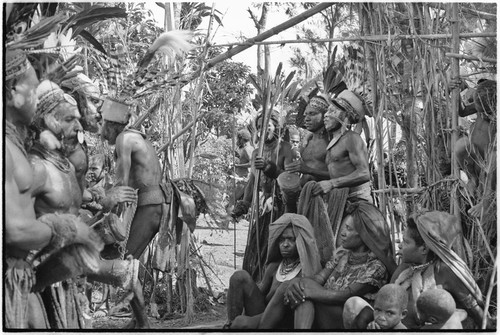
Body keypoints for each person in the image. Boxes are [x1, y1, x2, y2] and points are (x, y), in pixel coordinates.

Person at [29, 81, 148, 328]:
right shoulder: (41, 159)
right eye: (93, 101)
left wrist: (96, 196)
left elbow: (71, 189)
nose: (98, 110)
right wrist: (102, 198)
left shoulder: (75, 144)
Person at [4, 49, 102, 329]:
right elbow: (15, 231)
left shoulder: (17, 149)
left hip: (24, 278)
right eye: (33, 90)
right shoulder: (26, 160)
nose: (79, 123)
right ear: (12, 91)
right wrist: (63, 228)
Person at [347, 211, 491, 329]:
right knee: (353, 304)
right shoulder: (404, 270)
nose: (400, 245)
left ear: (424, 248)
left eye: (405, 242)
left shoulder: (446, 270)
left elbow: (476, 312)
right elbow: (385, 305)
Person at [283, 201, 396, 329]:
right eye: (344, 227)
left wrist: (307, 291)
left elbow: (345, 296)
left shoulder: (376, 266)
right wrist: (298, 284)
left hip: (343, 318)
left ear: (364, 236)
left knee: (302, 294)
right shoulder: (343, 255)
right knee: (294, 288)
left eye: (349, 229)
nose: (342, 233)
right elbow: (319, 278)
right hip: (324, 307)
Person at [225, 213, 321, 329]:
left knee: (241, 323)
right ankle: (229, 324)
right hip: (263, 313)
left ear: (301, 243)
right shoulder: (274, 267)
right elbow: (260, 292)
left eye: (291, 240)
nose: (285, 244)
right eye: (282, 240)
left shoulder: (306, 271)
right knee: (239, 276)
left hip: (283, 320)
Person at [231, 110, 295, 281]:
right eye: (259, 127)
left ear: (276, 127)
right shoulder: (255, 152)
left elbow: (291, 181)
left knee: (273, 247)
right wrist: (244, 204)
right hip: (262, 207)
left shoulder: (285, 149)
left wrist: (270, 168)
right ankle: (253, 284)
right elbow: (252, 180)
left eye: (267, 126)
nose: (262, 130)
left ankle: (269, 287)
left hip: (281, 206)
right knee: (256, 246)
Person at [311, 91, 372, 246]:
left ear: (345, 116)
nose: (326, 115)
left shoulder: (351, 138)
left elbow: (365, 173)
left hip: (357, 202)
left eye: (332, 111)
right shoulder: (334, 142)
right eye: (327, 111)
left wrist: (332, 184)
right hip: (339, 201)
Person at [453, 79, 496, 218]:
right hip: (476, 161)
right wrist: (456, 92)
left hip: (492, 168)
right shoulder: (481, 103)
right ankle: (472, 179)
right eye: (480, 111)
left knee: (495, 157)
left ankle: (486, 201)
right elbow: (462, 111)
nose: (482, 115)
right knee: (461, 144)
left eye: (486, 113)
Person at [226, 129, 254, 216]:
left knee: (232, 199)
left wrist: (237, 166)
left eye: (239, 139)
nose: (238, 141)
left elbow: (251, 163)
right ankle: (230, 220)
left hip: (243, 178)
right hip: (242, 177)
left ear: (242, 139)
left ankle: (227, 223)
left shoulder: (247, 149)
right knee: (232, 199)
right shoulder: (250, 148)